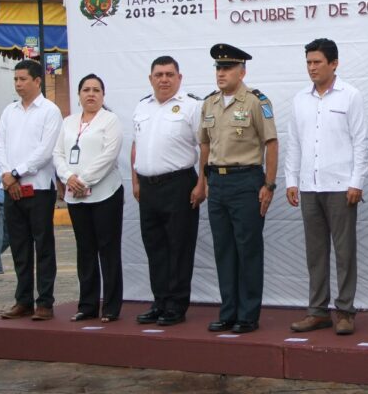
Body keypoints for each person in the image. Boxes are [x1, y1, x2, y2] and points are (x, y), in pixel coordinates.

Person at [285, 38, 368, 335]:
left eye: (317, 62)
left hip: (341, 186)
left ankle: (345, 311)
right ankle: (317, 311)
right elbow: (294, 142)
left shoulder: (350, 96)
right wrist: (291, 180)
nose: (312, 68)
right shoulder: (300, 99)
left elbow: (360, 142)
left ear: (334, 64)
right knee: (315, 252)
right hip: (309, 185)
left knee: (344, 252)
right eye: (308, 62)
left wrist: (356, 182)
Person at [200, 43, 278, 334]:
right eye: (218, 68)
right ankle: (228, 311)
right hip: (217, 182)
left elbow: (271, 143)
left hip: (246, 181)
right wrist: (203, 181)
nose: (221, 73)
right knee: (224, 250)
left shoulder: (257, 101)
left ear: (242, 71)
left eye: (228, 68)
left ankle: (248, 314)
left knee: (248, 249)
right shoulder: (209, 103)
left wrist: (268, 184)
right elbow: (204, 145)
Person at [131, 56, 206, 326]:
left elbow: (205, 147)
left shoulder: (192, 107)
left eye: (169, 74)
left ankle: (176, 305)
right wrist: (136, 181)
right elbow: (135, 145)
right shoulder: (142, 107)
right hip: (148, 187)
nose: (164, 79)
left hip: (180, 185)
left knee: (179, 247)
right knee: (155, 248)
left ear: (179, 78)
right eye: (159, 74)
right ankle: (159, 301)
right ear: (150, 78)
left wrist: (202, 184)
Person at [0, 59, 63, 321]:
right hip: (12, 189)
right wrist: (6, 175)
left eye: (23, 79)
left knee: (43, 246)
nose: (18, 84)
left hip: (38, 189)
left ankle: (45, 301)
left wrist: (15, 173)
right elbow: (0, 146)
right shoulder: (9, 112)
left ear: (37, 81)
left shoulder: (49, 111)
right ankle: (23, 300)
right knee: (19, 247)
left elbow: (45, 152)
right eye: (15, 79)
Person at [54, 74, 124, 323]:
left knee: (108, 250)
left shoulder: (110, 120)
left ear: (103, 95)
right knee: (85, 251)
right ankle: (87, 305)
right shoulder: (69, 122)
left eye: (96, 90)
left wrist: (83, 180)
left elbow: (109, 155)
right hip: (76, 197)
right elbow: (58, 153)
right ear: (79, 94)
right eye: (86, 89)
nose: (91, 94)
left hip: (105, 194)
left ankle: (112, 306)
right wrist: (68, 177)